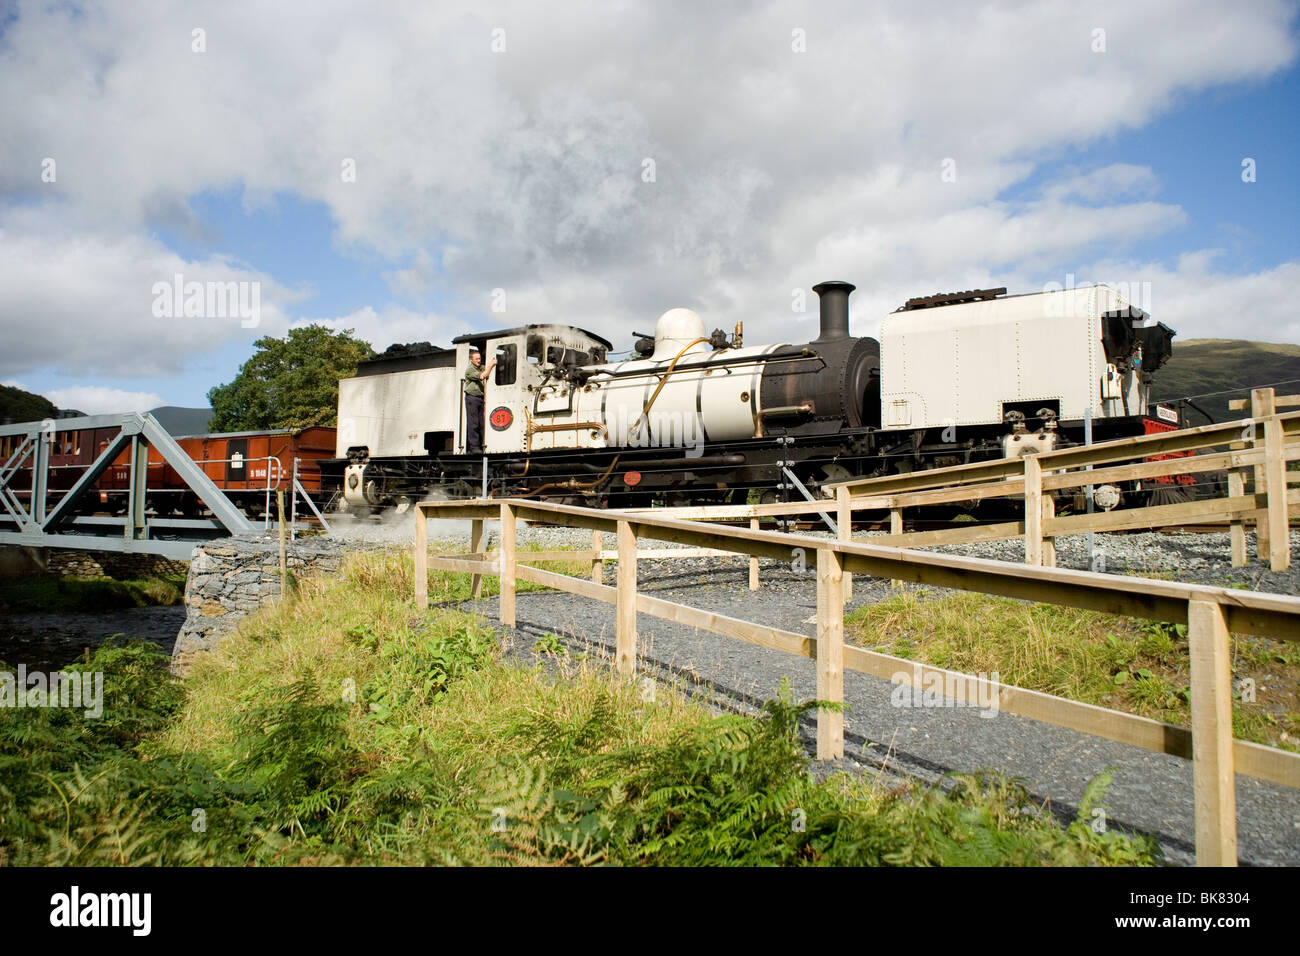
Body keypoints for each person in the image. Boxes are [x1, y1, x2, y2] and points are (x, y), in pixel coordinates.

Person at [464, 347, 497, 454]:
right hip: (472, 398)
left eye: (479, 358)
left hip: (480, 398)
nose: (479, 360)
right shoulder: (470, 370)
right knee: (473, 423)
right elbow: (483, 376)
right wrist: (491, 365)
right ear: (471, 360)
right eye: (477, 359)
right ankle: (473, 447)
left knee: (481, 423)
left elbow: (486, 370)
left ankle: (481, 445)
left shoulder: (481, 367)